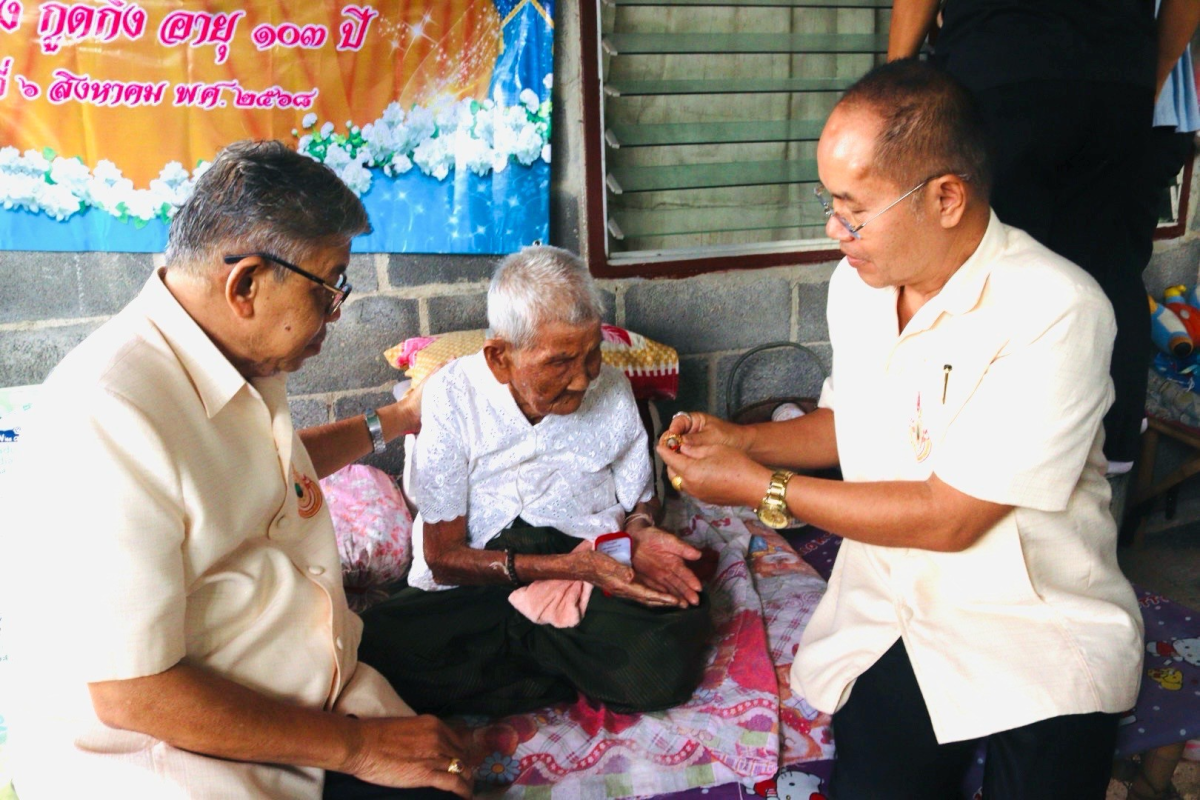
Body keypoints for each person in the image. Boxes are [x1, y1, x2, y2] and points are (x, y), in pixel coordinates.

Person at [657, 61, 1144, 799]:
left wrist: (763, 488)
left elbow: (950, 517)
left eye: (853, 208)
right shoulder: (858, 285)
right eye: (829, 204)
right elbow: (853, 423)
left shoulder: (1057, 309)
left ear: (945, 197)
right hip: (893, 605)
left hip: (1031, 617)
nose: (835, 230)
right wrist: (737, 440)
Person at [0, 140, 471, 800]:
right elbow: (133, 693)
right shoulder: (105, 416)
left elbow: (275, 467)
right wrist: (358, 747)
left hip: (306, 688)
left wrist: (392, 422)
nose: (335, 315)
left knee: (483, 646)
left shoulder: (228, 354)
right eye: (329, 289)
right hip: (180, 759)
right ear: (246, 283)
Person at [357, 245, 712, 718]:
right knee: (374, 648)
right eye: (561, 362)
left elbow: (640, 501)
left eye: (592, 354)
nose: (585, 379)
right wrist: (562, 570)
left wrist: (641, 530)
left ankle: (515, 663)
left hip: (589, 557)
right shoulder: (451, 395)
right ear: (500, 357)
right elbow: (443, 559)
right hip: (479, 572)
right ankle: (558, 658)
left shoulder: (612, 388)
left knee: (666, 654)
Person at [888, 0, 1158, 471]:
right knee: (1106, 263)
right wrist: (1149, 70)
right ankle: (1105, 458)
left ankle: (963, 465)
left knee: (983, 263)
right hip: (1119, 76)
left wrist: (895, 84)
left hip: (1003, 64)